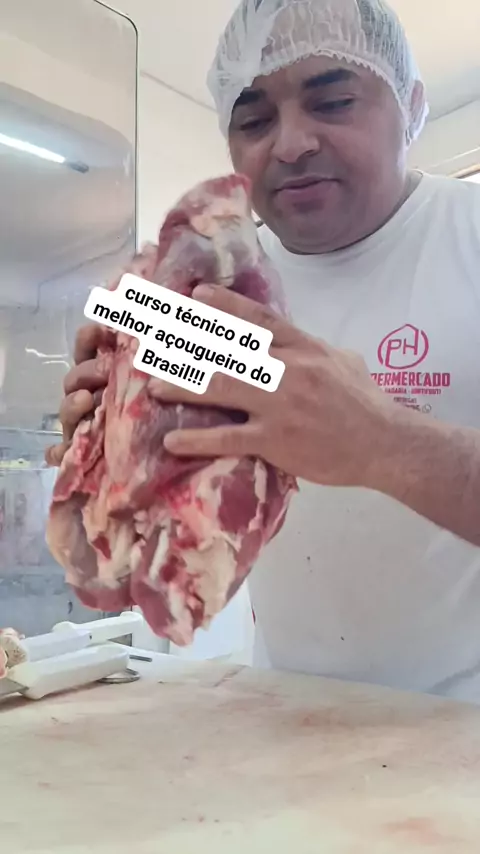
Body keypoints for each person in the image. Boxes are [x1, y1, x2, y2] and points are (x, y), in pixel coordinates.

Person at [48, 0, 480, 702]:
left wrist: (384, 442)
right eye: (253, 120)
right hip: (284, 713)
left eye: (332, 101)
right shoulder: (215, 288)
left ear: (411, 105)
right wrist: (112, 455)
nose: (291, 144)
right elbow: (157, 533)